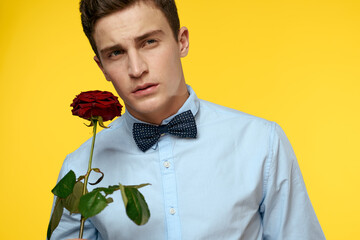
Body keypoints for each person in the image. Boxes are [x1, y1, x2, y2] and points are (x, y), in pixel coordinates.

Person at [50, 0, 326, 239]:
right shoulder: (80, 169)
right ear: (102, 66)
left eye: (149, 42)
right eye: (116, 53)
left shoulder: (261, 141)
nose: (136, 69)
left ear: (182, 42)